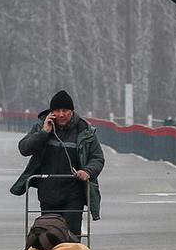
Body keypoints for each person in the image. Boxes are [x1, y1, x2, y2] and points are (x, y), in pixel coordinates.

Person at [10, 89, 105, 236]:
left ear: (72, 111)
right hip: (47, 193)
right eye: (57, 110)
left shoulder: (84, 131)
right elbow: (24, 148)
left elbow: (97, 158)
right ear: (51, 112)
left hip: (74, 193)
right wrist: (44, 133)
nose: (61, 114)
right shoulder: (41, 127)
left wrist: (87, 171)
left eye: (65, 110)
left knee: (71, 236)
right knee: (49, 236)